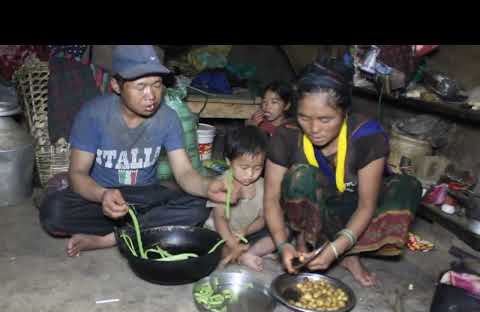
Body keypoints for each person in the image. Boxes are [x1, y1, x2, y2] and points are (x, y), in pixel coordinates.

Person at [39, 45, 236, 257]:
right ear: (116, 85)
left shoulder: (168, 118)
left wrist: (208, 187)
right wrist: (103, 194)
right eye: (141, 86)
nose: (151, 95)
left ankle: (109, 239)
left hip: (145, 197)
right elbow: (77, 174)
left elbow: (184, 173)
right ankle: (144, 230)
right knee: (53, 212)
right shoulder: (93, 114)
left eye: (157, 85)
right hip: (102, 196)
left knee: (198, 206)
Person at [264, 56, 423, 287]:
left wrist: (337, 249)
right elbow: (270, 199)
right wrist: (281, 245)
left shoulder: (367, 137)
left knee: (408, 187)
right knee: (300, 176)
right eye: (304, 117)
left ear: (345, 112)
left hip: (354, 206)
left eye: (325, 119)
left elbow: (366, 206)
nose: (314, 129)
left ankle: (350, 255)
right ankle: (303, 241)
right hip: (317, 205)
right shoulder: (286, 135)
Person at [204, 126, 276, 271]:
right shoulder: (222, 185)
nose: (250, 174)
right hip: (221, 233)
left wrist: (245, 231)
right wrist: (232, 243)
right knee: (215, 249)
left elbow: (262, 218)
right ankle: (241, 255)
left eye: (257, 168)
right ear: (229, 162)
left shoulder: (263, 185)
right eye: (244, 168)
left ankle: (248, 253)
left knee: (279, 235)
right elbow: (220, 220)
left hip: (246, 233)